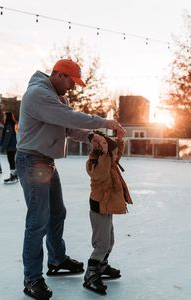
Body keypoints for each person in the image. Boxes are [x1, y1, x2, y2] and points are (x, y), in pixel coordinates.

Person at [15, 58, 124, 300]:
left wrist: (91, 136)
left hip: (46, 161)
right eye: (71, 82)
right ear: (59, 75)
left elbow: (67, 128)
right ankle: (32, 278)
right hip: (33, 161)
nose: (73, 88)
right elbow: (69, 117)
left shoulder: (57, 97)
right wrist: (103, 123)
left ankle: (56, 259)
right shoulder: (38, 94)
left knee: (57, 212)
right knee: (37, 219)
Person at [83, 130, 133, 295]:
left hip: (108, 205)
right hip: (99, 206)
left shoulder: (110, 159)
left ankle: (102, 267)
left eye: (107, 145)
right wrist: (104, 152)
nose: (105, 147)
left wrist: (119, 140)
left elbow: (116, 153)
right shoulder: (94, 161)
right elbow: (101, 173)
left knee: (109, 240)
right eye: (102, 143)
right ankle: (90, 274)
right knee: (102, 243)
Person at [0, 111, 18, 183]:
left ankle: (14, 177)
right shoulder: (10, 124)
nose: (4, 117)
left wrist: (3, 148)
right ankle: (14, 176)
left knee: (11, 161)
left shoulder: (9, 125)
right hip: (12, 146)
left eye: (5, 116)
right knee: (12, 161)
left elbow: (7, 138)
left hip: (11, 146)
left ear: (8, 117)